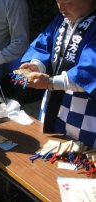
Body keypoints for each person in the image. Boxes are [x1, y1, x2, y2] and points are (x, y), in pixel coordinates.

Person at [18, 0, 96, 148]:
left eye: (68, 2)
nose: (61, 7)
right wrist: (36, 66)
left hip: (85, 110)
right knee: (49, 147)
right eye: (58, 1)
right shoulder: (62, 20)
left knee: (79, 159)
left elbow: (91, 68)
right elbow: (43, 45)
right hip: (53, 101)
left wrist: (50, 83)